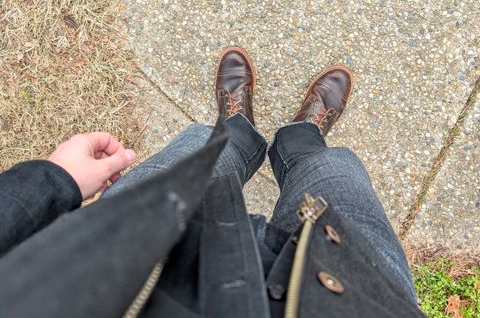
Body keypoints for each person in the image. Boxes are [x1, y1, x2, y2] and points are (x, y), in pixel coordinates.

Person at [0, 47, 424, 317]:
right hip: (360, 299)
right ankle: (302, 140)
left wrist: (57, 182)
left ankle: (237, 127)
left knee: (205, 148)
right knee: (336, 174)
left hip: (124, 257)